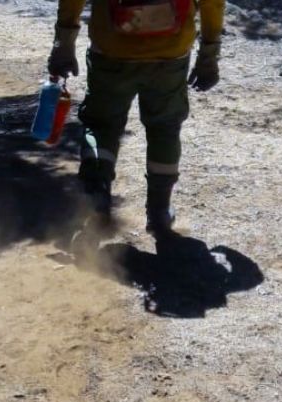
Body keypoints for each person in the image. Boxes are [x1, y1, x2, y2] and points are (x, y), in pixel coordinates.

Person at [47, 0, 225, 238]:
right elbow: (213, 3)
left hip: (111, 50)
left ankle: (96, 197)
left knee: (101, 127)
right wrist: (209, 56)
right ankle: (159, 211)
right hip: (170, 52)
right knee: (165, 129)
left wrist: (63, 44)